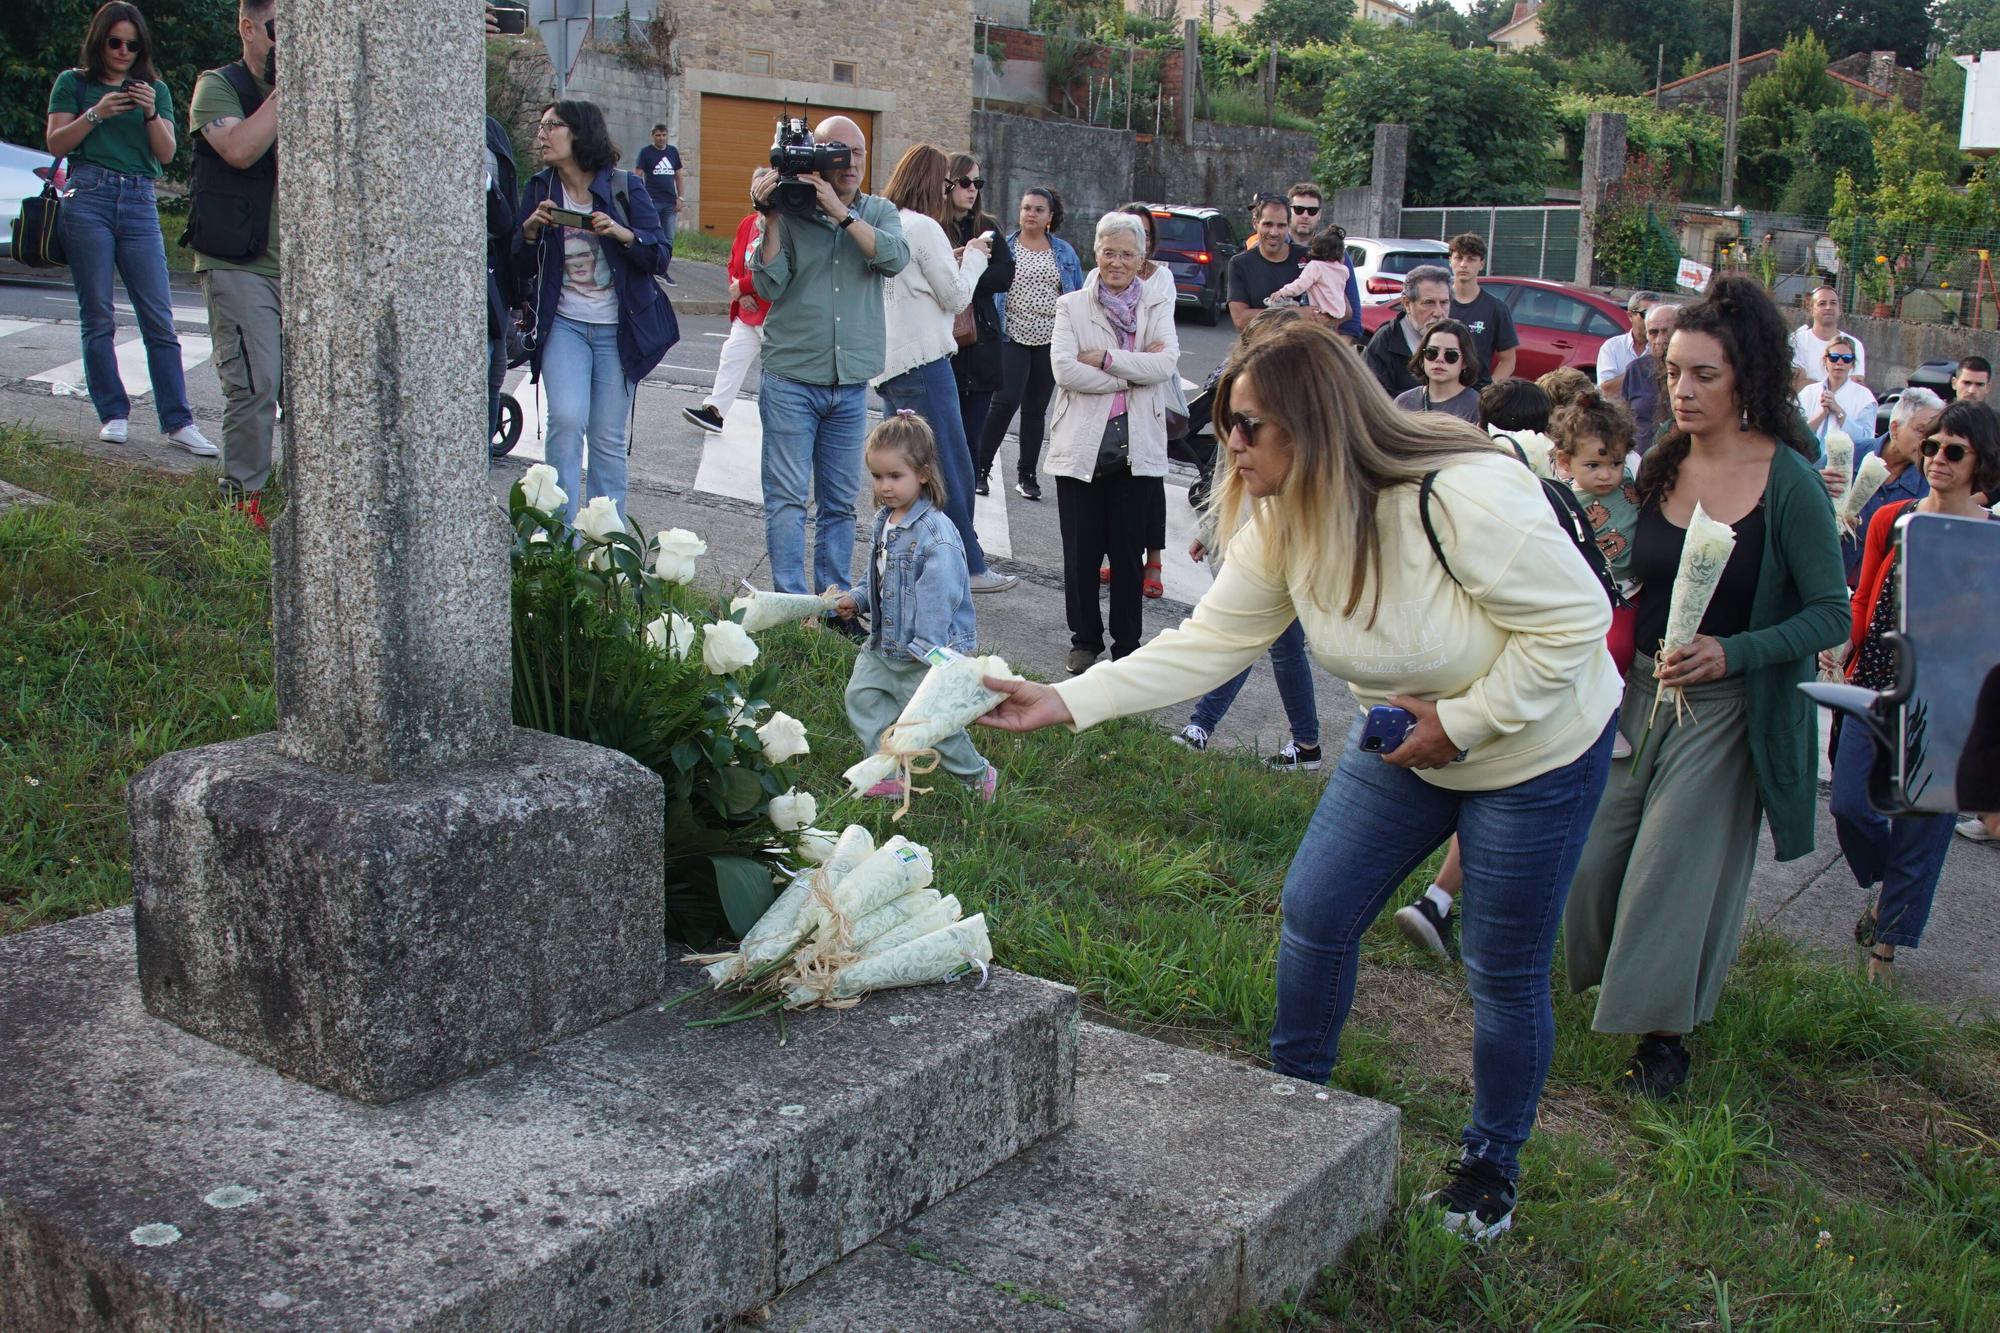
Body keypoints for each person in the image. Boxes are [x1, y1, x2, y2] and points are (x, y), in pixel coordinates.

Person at [978, 318, 1621, 1242]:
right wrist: (1065, 699)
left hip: (1537, 748)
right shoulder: (1283, 518)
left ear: (1315, 426)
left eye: (1249, 426)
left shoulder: (1459, 496)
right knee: (1316, 909)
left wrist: (1465, 725)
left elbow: (1574, 626)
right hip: (1407, 739)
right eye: (1223, 425)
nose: (1228, 444)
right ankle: (1292, 1109)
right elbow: (1210, 643)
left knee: (1502, 968)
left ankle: (1490, 1171)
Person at [1564, 276, 1849, 1101]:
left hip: (1727, 712)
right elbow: (1629, 576)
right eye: (1673, 370)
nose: (1680, 390)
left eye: (1704, 376)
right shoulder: (1662, 461)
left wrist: (1737, 650)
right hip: (1636, 698)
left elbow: (1831, 613)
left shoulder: (1789, 481)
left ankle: (1664, 1040)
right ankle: (1615, 981)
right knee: (1594, 859)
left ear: (1748, 378)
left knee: (1672, 869)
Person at [1827, 400, 1999, 983]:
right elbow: (1864, 595)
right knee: (1850, 804)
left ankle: (1886, 944)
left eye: (1954, 451)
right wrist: (1842, 645)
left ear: (1981, 462)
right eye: (1931, 448)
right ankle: (1888, 887)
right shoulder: (1891, 519)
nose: (1938, 460)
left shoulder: (1993, 538)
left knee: (1924, 825)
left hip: (1951, 700)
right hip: (1875, 681)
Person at [45, 3, 213, 460]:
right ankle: (112, 412)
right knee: (97, 314)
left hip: (139, 199)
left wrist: (148, 114)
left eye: (132, 44)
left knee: (159, 317)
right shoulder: (74, 83)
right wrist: (97, 113)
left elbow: (166, 153)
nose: (122, 51)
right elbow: (57, 143)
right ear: (99, 41)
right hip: (89, 195)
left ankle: (178, 421)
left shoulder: (153, 89)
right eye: (114, 42)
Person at [750, 115, 909, 597]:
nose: (851, 161)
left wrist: (842, 213)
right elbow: (766, 284)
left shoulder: (878, 211)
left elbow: (893, 258)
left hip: (848, 383)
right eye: (839, 151)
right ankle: (790, 602)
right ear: (816, 156)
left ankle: (833, 602)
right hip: (791, 376)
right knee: (787, 499)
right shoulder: (791, 213)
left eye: (858, 152)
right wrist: (771, 213)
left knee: (840, 502)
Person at [1173, 308, 1323, 774]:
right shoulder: (1238, 396)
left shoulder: (1304, 409)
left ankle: (1204, 725)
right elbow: (1225, 471)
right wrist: (1208, 527)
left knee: (1255, 635)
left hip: (1287, 540)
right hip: (1239, 531)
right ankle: (1306, 745)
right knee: (1269, 638)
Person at [514, 99, 677, 525]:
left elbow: (659, 255)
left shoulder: (625, 187)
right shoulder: (539, 188)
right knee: (566, 421)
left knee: (606, 438)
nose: (542, 134)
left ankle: (608, 546)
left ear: (580, 133)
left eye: (553, 126)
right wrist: (530, 231)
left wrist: (623, 234)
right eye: (541, 125)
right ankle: (558, 540)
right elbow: (517, 270)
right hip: (564, 325)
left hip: (617, 331)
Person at [873, 143, 1015, 598]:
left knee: (898, 466)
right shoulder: (925, 226)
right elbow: (956, 298)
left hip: (889, 363)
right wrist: (973, 255)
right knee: (950, 463)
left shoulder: (886, 221)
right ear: (936, 183)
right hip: (923, 359)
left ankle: (898, 559)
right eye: (948, 183)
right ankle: (970, 565)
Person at [835, 412, 998, 803]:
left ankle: (977, 775)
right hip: (883, 642)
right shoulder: (885, 520)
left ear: (923, 474)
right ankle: (885, 770)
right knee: (863, 697)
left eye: (895, 476)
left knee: (932, 724)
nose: (885, 486)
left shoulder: (936, 536)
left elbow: (941, 596)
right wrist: (857, 597)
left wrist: (929, 651)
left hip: (922, 652)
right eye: (877, 477)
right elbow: (876, 573)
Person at [1047, 212, 1179, 675]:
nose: (1117, 262)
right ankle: (1084, 640)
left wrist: (1105, 359)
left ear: (1142, 259)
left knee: (1128, 552)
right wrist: (1129, 375)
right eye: (1109, 252)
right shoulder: (1072, 306)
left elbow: (1165, 366)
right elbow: (1064, 370)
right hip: (1082, 446)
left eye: (1126, 253)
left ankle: (1127, 645)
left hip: (1136, 447)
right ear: (1095, 253)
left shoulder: (1157, 305)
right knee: (1081, 553)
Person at [184, 0, 280, 528]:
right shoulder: (218, 87)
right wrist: (295, 86)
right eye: (276, 30)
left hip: (305, 268)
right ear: (248, 27)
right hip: (240, 260)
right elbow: (240, 149)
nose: (285, 42)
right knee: (255, 380)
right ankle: (242, 502)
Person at [975, 187, 1081, 503]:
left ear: (1050, 217)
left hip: (1050, 338)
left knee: (1035, 410)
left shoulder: (1064, 253)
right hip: (1011, 335)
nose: (1030, 214)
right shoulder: (1004, 247)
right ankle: (980, 469)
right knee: (1004, 402)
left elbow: (1076, 294)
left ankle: (1027, 475)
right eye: (1026, 208)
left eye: (1038, 209)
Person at [1820, 387, 1943, 587]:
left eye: (1934, 433)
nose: (1927, 442)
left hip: (1876, 593)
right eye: (1921, 430)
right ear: (1894, 429)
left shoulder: (1928, 484)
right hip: (1825, 577)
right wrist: (1814, 484)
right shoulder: (1851, 454)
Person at [944, 152, 1013, 486]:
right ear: (948, 184)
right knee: (937, 443)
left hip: (981, 343)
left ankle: (963, 523)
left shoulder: (987, 227)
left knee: (971, 442)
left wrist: (968, 272)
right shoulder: (933, 224)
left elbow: (1005, 274)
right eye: (965, 182)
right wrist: (963, 265)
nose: (972, 190)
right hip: (943, 345)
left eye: (977, 183)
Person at [1120, 202, 1174, 601]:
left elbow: (1162, 347)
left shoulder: (1164, 279)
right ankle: (1117, 554)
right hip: (1114, 395)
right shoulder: (1096, 277)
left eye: (1143, 236)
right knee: (1113, 472)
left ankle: (1152, 559)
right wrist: (1137, 355)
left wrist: (1120, 356)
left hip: (1153, 394)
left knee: (1150, 480)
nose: (1136, 244)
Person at [682, 210, 766, 433]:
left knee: (776, 374)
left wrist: (744, 288)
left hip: (774, 313)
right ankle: (715, 412)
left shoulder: (784, 224)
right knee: (731, 356)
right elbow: (734, 263)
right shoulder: (748, 222)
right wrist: (740, 292)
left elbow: (776, 269)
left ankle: (781, 424)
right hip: (747, 311)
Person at [1285, 182, 1362, 341]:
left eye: (1312, 211)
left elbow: (1352, 306)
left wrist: (1341, 349)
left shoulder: (1336, 252)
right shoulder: (1278, 249)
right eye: (1299, 209)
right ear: (1288, 211)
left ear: (1319, 214)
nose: (1305, 215)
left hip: (1324, 342)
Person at [1363, 265, 1451, 399]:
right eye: (1429, 303)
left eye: (1444, 302)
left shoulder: (1457, 338)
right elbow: (1373, 400)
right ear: (1407, 304)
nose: (1439, 312)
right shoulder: (1386, 341)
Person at [484, 112, 519, 452]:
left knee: (495, 370)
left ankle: (480, 471)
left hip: (493, 266)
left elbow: (506, 215)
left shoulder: (491, 128)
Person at [1445, 233, 1518, 385]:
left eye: (1471, 259)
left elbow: (1508, 360)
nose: (1464, 264)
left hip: (1475, 393)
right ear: (1450, 260)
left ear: (1482, 264)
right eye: (1459, 258)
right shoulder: (1438, 303)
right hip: (1436, 391)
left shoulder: (1496, 308)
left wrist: (1488, 390)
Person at [1226, 194, 1305, 332]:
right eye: (1268, 224)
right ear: (1255, 223)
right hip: (1258, 350)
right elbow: (1240, 320)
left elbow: (1343, 311)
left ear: (1288, 226)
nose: (1274, 232)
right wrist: (1298, 313)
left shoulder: (1309, 258)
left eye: (1281, 226)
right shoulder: (1240, 264)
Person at [1394, 319, 1483, 424]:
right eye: (1432, 352)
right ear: (1422, 357)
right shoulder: (1404, 402)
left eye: (1451, 355)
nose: (1439, 359)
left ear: (1465, 362)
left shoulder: (1477, 407)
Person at [1797, 336, 1877, 450]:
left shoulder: (1865, 397)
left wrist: (1839, 412)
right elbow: (1796, 435)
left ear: (1852, 363)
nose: (1839, 362)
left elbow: (1866, 440)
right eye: (1834, 357)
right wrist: (1822, 414)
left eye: (1846, 358)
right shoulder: (1808, 392)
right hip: (1808, 462)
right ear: (1825, 360)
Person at [1619, 302, 1678, 455]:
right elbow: (1623, 422)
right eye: (1653, 333)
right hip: (1641, 461)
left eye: (1667, 332)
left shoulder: (1692, 372)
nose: (1660, 340)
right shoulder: (1636, 370)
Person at [1264, 223, 1351, 324]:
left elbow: (1300, 285)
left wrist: (1282, 292)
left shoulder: (1316, 266)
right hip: (1337, 314)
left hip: (1319, 312)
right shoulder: (1343, 270)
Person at [632, 123, 681, 286]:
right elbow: (637, 175)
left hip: (670, 202)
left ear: (667, 136)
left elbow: (678, 176)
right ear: (652, 136)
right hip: (651, 202)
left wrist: (680, 197)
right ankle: (647, 267)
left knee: (669, 238)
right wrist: (638, 198)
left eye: (663, 135)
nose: (661, 138)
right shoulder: (646, 153)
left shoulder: (673, 152)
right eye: (657, 135)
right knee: (650, 235)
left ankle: (662, 270)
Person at [1791, 285, 1866, 388]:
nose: (1828, 307)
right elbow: (1795, 385)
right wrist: (1839, 385)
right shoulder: (1796, 341)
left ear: (1839, 309)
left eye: (1833, 303)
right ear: (1811, 309)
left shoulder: (1854, 344)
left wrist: (1811, 383)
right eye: (1822, 303)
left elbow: (1856, 387)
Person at [1597, 292, 1659, 394]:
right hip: (1619, 408)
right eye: (1646, 314)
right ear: (1630, 316)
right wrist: (1641, 369)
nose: (1651, 320)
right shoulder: (1612, 346)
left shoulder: (1663, 348)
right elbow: (1607, 390)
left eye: (1655, 315)